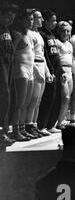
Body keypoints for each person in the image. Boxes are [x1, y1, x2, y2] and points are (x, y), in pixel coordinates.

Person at [10, 9, 37, 141]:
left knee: (26, 102)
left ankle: (22, 129)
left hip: (30, 70)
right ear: (21, 20)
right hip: (20, 70)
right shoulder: (17, 34)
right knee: (19, 103)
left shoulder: (29, 34)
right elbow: (11, 54)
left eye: (32, 19)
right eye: (28, 19)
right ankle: (15, 130)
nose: (31, 22)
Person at [26, 9, 53, 136]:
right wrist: (37, 72)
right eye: (39, 18)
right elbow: (31, 56)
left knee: (38, 100)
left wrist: (47, 72)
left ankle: (34, 124)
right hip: (34, 66)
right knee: (33, 98)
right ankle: (28, 125)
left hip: (42, 65)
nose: (42, 20)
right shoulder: (29, 34)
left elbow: (43, 55)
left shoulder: (39, 35)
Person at [38, 10, 62, 134]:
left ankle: (51, 124)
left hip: (57, 70)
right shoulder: (41, 34)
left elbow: (56, 54)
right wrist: (50, 71)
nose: (55, 22)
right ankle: (42, 125)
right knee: (48, 97)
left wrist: (61, 71)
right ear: (46, 21)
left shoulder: (52, 34)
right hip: (49, 69)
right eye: (53, 20)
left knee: (56, 97)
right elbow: (46, 55)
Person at [0, 2, 19, 146]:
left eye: (13, 17)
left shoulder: (7, 29)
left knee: (7, 99)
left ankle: (4, 133)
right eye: (8, 16)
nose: (10, 19)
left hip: (8, 69)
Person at [55, 21, 74, 129]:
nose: (65, 33)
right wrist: (61, 71)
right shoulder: (57, 42)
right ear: (59, 31)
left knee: (68, 98)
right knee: (65, 97)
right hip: (62, 71)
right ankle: (57, 122)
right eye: (63, 31)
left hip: (70, 70)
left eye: (68, 31)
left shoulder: (70, 44)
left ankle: (62, 120)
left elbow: (72, 60)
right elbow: (56, 59)